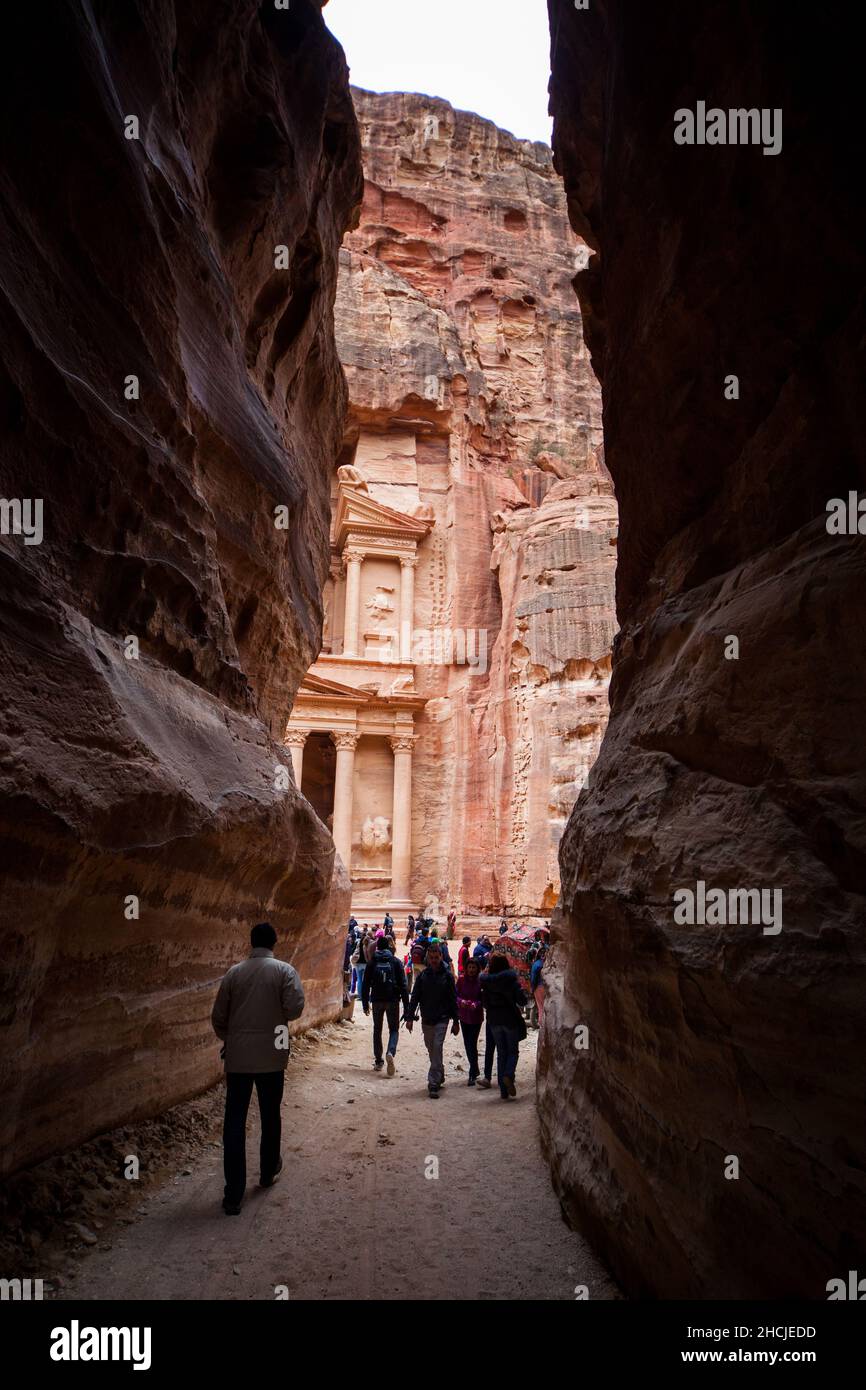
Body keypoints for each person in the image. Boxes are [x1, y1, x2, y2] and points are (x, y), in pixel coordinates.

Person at [211, 922, 305, 1215]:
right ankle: (267, 1172)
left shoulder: (233, 973)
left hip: (238, 1058)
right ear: (274, 942)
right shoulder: (284, 971)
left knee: (235, 1122)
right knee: (269, 1114)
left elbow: (218, 1017)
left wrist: (233, 1038)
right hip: (272, 1055)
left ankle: (233, 1194)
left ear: (251, 943)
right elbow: (294, 1009)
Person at [404, 943, 459, 1099]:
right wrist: (409, 1018)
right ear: (428, 957)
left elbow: (452, 999)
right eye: (432, 958)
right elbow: (415, 997)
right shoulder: (423, 976)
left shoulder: (447, 976)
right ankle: (439, 1071)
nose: (434, 960)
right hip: (427, 1018)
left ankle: (433, 1083)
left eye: (437, 957)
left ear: (441, 956)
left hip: (442, 1018)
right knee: (432, 1049)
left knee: (436, 1046)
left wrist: (456, 1021)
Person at [480, 952, 526, 1101]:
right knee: (512, 1051)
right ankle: (508, 1075)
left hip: (494, 1020)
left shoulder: (486, 982)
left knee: (501, 1052)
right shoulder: (511, 980)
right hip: (509, 1019)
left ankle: (503, 1091)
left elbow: (485, 1002)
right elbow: (522, 1000)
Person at [362, 934, 410, 1076]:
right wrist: (407, 1007)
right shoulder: (395, 961)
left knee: (377, 1029)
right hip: (392, 1000)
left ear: (377, 947)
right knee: (393, 1029)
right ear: (389, 946)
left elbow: (365, 985)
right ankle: (390, 1052)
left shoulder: (372, 962)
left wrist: (365, 1003)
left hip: (376, 1000)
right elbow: (403, 985)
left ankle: (378, 1061)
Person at [456, 957, 484, 1085]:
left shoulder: (480, 981)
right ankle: (475, 1068)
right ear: (466, 968)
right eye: (470, 967)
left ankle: (472, 1073)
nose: (471, 970)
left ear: (477, 969)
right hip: (464, 1016)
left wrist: (476, 1004)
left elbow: (483, 998)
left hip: (476, 1017)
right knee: (468, 1044)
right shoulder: (461, 981)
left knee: (472, 1043)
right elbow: (455, 995)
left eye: (474, 968)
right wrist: (461, 1002)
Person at [530, 944, 547, 1026]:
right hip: (547, 987)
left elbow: (533, 979)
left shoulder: (536, 964)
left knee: (541, 1007)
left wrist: (532, 989)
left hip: (539, 987)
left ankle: (542, 1026)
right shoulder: (547, 963)